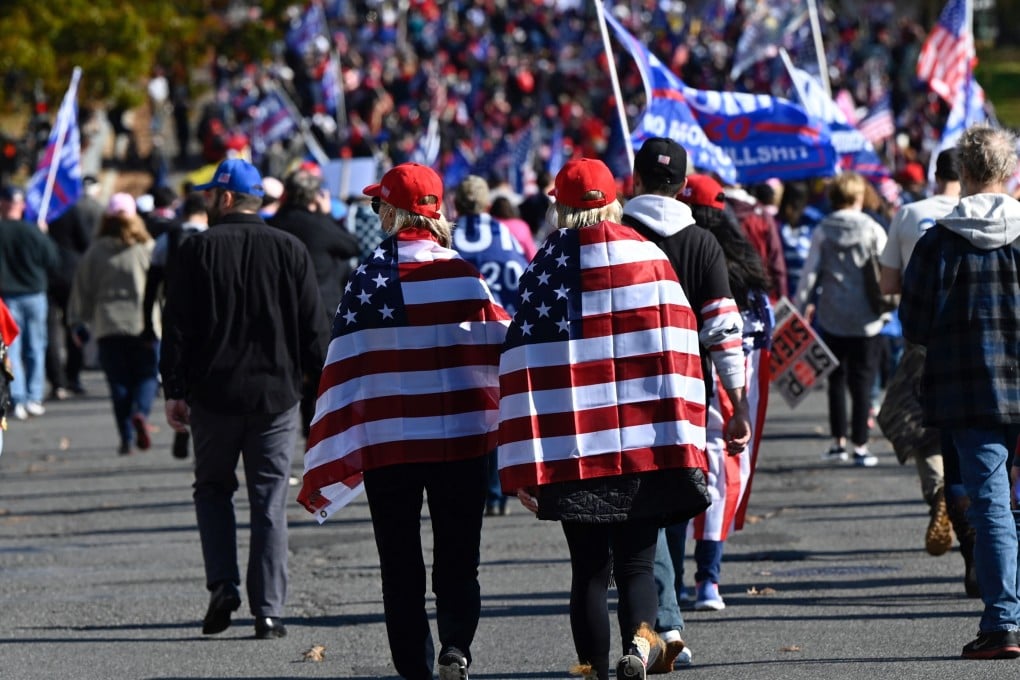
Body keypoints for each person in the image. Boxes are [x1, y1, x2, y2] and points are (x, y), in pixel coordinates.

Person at [499, 158, 721, 680]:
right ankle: (636, 652)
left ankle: (594, 669)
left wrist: (526, 460)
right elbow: (680, 349)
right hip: (644, 443)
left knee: (589, 574)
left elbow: (522, 361)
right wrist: (683, 431)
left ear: (560, 205)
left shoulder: (545, 267)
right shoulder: (648, 256)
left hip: (573, 447)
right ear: (613, 199)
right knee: (639, 565)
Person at [299, 163, 510, 680]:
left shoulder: (368, 279)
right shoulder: (463, 275)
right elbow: (502, 343)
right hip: (460, 440)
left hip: (389, 442)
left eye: (378, 207)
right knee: (459, 556)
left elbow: (345, 365)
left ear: (391, 213)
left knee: (399, 563)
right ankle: (455, 646)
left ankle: (414, 666)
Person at [160, 158, 328, 640]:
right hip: (276, 396)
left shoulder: (196, 250)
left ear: (226, 198)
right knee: (268, 501)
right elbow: (313, 330)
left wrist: (174, 388)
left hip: (212, 396)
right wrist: (321, 388)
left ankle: (223, 584)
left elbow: (176, 329)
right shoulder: (290, 249)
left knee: (213, 490)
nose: (207, 202)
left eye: (211, 194)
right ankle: (269, 610)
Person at [620, 140, 750, 669]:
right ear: (683, 182)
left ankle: (662, 620)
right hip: (685, 390)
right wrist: (737, 399)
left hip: (620, 387)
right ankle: (666, 619)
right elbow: (723, 327)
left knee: (644, 510)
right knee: (670, 502)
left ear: (635, 176)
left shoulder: (614, 233)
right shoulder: (702, 242)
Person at [900, 125, 1020, 660]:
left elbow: (914, 324)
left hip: (969, 388)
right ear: (1008, 173)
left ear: (965, 174)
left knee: (990, 506)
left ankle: (1003, 623)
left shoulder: (939, 241)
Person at [670, 173, 774, 613]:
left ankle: (671, 582)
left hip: (677, 381)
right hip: (727, 385)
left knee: (672, 470)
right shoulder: (745, 267)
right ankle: (707, 578)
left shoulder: (657, 252)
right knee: (720, 470)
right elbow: (761, 332)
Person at [878, 149, 965, 562]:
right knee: (971, 424)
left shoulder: (910, 214)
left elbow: (888, 283)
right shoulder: (985, 212)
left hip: (922, 336)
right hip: (975, 334)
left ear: (935, 175)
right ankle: (973, 522)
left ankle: (939, 490)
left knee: (914, 419)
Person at [793, 171, 888, 467]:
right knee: (863, 381)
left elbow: (810, 273)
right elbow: (886, 268)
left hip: (832, 313)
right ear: (859, 196)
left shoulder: (822, 229)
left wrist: (799, 306)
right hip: (866, 318)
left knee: (835, 379)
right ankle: (861, 445)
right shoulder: (873, 229)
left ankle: (838, 443)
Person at [451, 175, 530, 517]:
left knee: (466, 410)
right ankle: (497, 489)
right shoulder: (506, 235)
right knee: (496, 409)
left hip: (461, 332)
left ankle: (476, 488)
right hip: (502, 329)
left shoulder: (449, 237)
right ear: (485, 202)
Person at [268, 164, 360, 438]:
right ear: (313, 197)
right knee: (321, 375)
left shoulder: (274, 224)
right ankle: (315, 431)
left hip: (283, 311)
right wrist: (327, 215)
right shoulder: (321, 224)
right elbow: (351, 246)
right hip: (323, 309)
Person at [68, 193, 159, 455]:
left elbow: (82, 289)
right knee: (146, 375)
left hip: (107, 326)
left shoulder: (96, 251)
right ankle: (140, 413)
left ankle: (126, 438)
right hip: (144, 324)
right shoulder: (147, 248)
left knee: (118, 383)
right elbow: (163, 288)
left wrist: (77, 322)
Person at [141, 191, 209, 459]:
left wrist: (148, 321)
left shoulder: (167, 239)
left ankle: (180, 424)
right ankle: (200, 425)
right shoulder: (213, 236)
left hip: (175, 313)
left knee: (178, 372)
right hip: (208, 315)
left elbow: (151, 285)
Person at [0, 185, 59, 421]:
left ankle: (18, 397)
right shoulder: (33, 231)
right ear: (21, 205)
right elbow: (53, 260)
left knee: (11, 349)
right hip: (35, 295)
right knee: (36, 347)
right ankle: (34, 396)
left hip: (7, 298)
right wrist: (43, 236)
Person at [45, 175, 99, 399]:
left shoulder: (41, 214)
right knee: (74, 325)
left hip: (47, 276)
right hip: (71, 275)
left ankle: (57, 381)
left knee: (49, 332)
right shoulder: (71, 211)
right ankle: (72, 377)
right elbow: (85, 242)